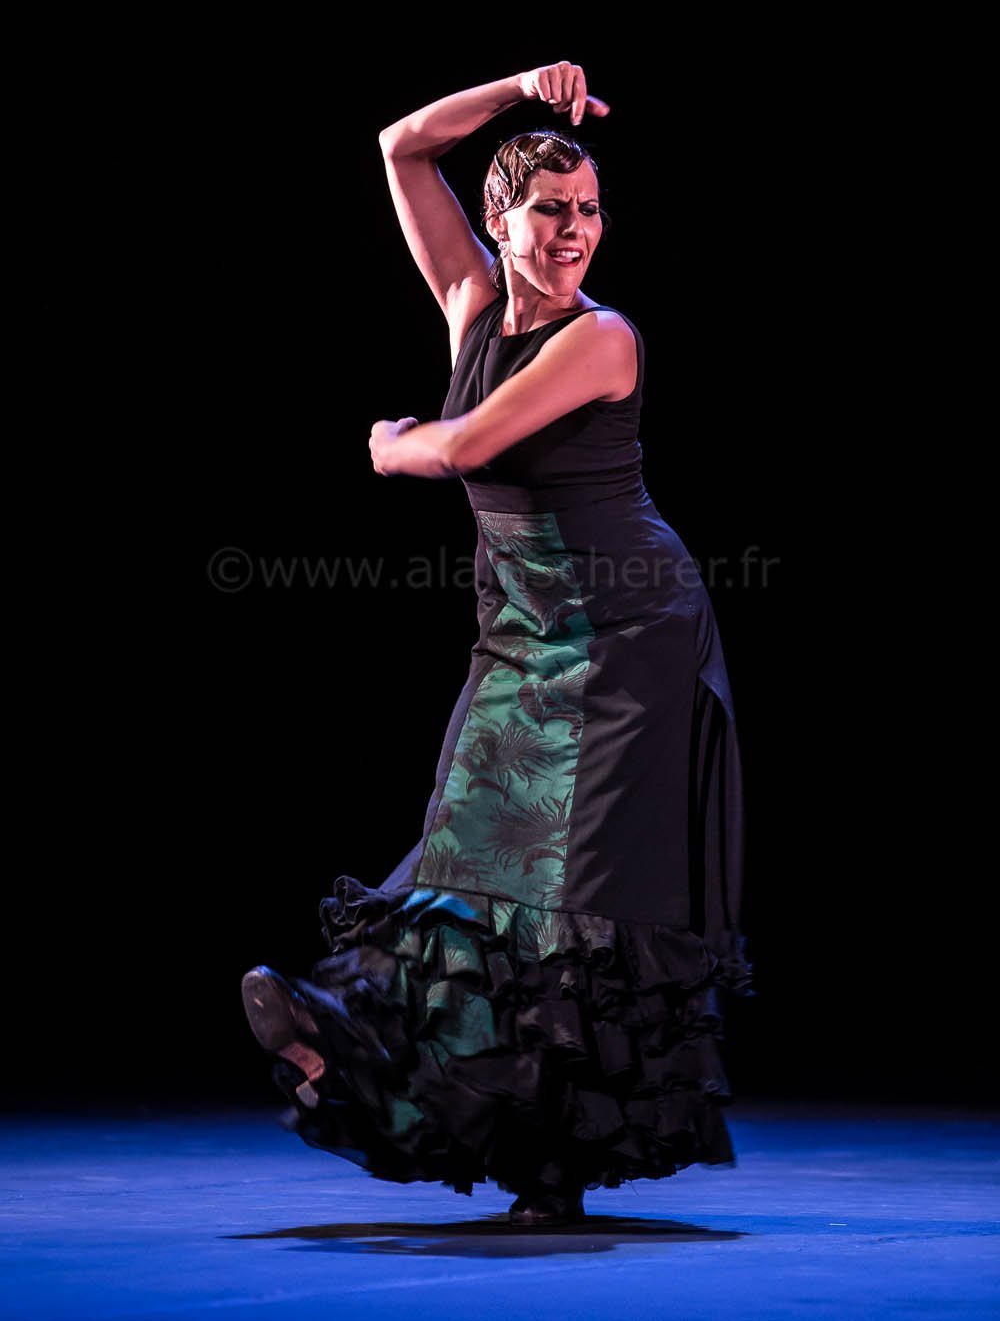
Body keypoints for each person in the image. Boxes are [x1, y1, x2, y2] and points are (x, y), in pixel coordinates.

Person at [241, 60, 754, 1226]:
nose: (574, 230)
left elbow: (467, 447)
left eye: (590, 210)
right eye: (549, 209)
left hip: (629, 637)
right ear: (498, 217)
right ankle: (359, 1045)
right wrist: (523, 85)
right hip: (522, 631)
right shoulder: (472, 307)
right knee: (466, 856)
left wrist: (391, 444)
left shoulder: (602, 337)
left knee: (569, 894)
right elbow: (401, 144)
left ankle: (551, 1162)